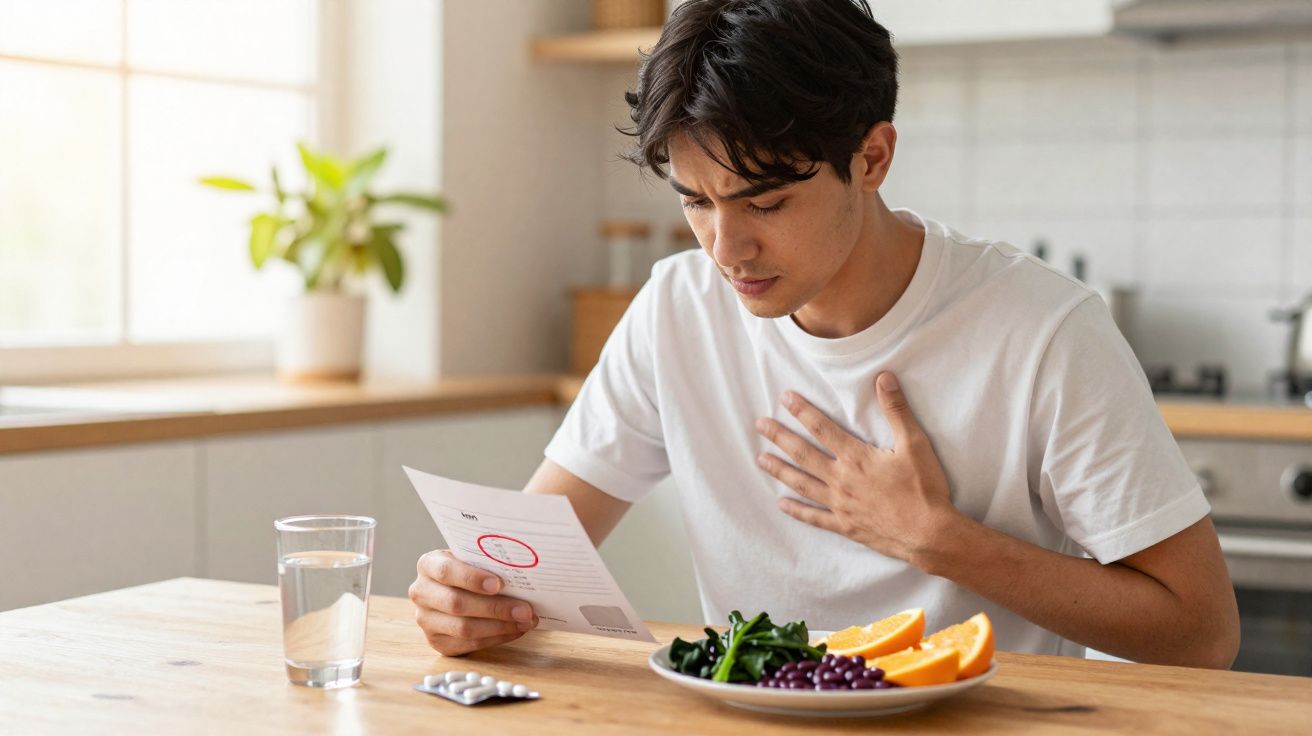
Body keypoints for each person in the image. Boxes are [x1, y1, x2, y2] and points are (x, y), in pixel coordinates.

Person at [409, 0, 1240, 668]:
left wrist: (944, 544)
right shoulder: (677, 307)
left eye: (764, 203)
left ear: (872, 158)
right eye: (696, 201)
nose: (725, 251)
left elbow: (1202, 633)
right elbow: (528, 552)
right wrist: (472, 595)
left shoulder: (1044, 333)